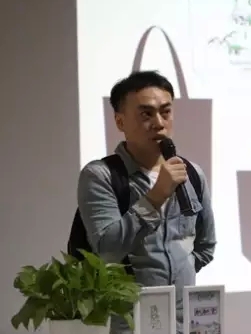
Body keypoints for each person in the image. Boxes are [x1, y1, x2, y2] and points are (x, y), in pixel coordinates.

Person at [77, 70, 216, 334]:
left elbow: (205, 246)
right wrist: (156, 196)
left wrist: (179, 273)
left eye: (166, 112)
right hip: (130, 323)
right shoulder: (101, 176)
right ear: (120, 121)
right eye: (146, 114)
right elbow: (106, 250)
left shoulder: (192, 173)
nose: (159, 123)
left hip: (184, 322)